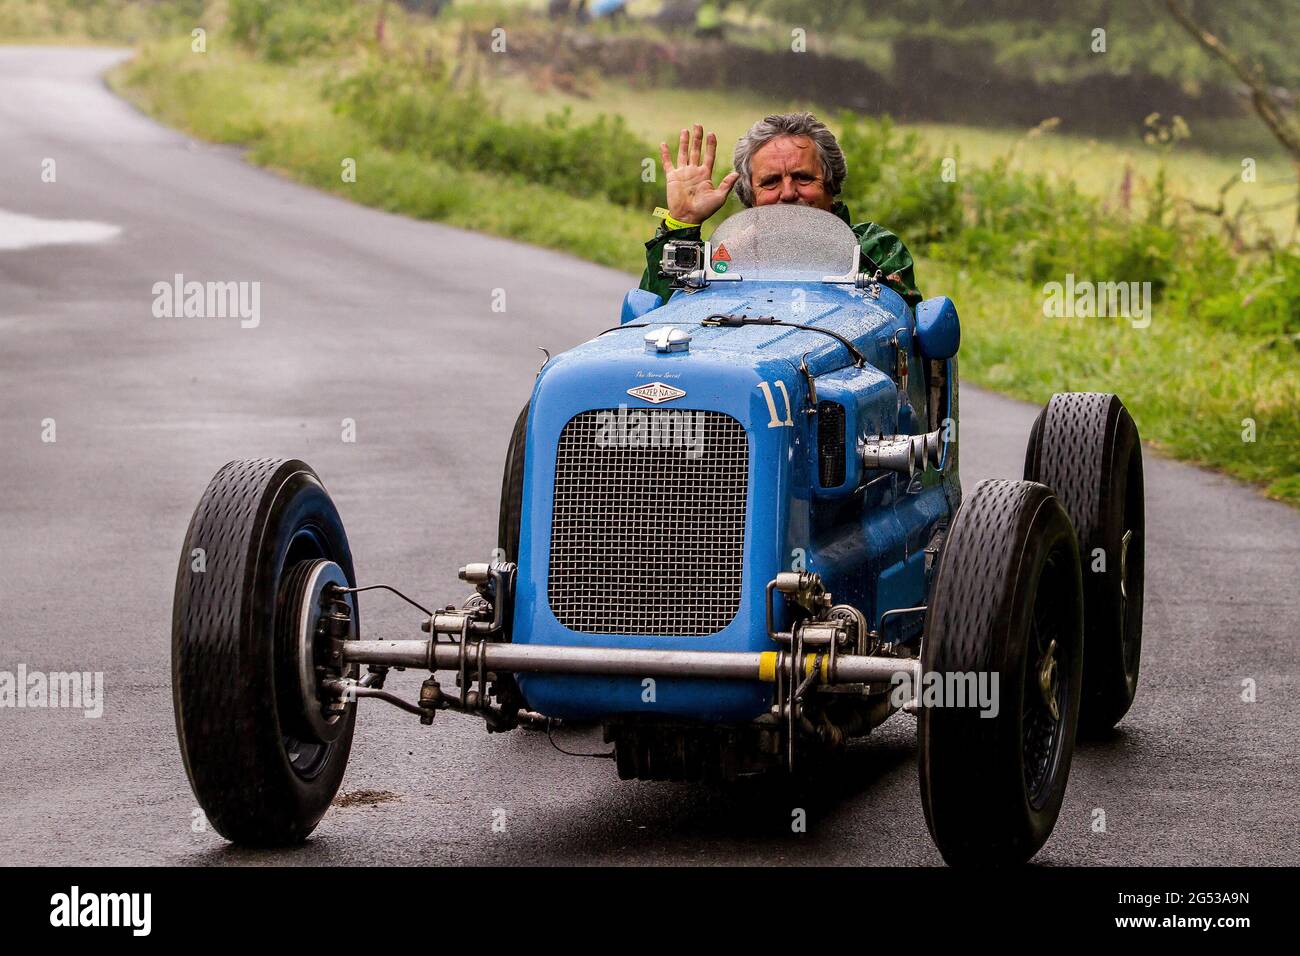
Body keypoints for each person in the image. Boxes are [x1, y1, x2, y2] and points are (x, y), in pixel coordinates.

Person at [640, 112, 922, 307]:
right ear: (751, 195)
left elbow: (899, 339)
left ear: (831, 184)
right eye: (771, 182)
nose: (788, 193)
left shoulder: (876, 252)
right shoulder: (721, 263)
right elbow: (658, 323)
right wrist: (682, 222)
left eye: (803, 178)